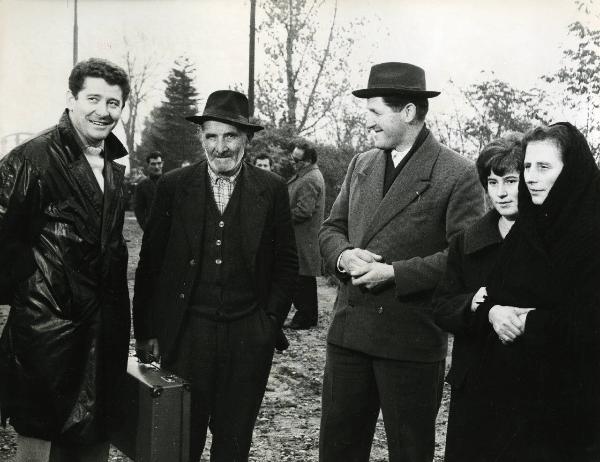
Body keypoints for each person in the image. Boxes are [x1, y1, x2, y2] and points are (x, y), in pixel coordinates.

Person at [318, 61, 484, 462]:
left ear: (408, 112)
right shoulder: (362, 164)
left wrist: (394, 273)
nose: (368, 123)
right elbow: (329, 230)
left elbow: (466, 260)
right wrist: (343, 255)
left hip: (409, 343)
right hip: (349, 337)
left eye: (376, 113)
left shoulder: (457, 173)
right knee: (338, 451)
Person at [132, 90, 298, 462]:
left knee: (234, 442)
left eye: (229, 136)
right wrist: (146, 332)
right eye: (211, 136)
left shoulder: (270, 190)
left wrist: (267, 324)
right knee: (181, 441)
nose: (220, 147)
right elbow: (150, 264)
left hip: (246, 339)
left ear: (247, 139)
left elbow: (287, 264)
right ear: (201, 138)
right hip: (186, 336)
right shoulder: (174, 186)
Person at [0, 58, 131, 462]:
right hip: (47, 344)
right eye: (93, 98)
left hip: (102, 337)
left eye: (113, 102)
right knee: (42, 447)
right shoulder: (30, 160)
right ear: (72, 99)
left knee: (92, 444)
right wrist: (40, 300)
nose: (103, 111)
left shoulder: (112, 167)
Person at [452, 123, 600, 461]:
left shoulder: (591, 232)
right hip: (518, 396)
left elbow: (589, 322)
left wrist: (528, 322)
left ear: (571, 172)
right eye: (528, 166)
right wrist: (494, 311)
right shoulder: (529, 228)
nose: (531, 177)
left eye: (543, 167)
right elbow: (495, 289)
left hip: (577, 399)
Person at [432, 133, 526, 462]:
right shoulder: (467, 242)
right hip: (476, 383)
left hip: (530, 385)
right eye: (493, 181)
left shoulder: (553, 241)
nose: (500, 192)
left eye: (511, 180)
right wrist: (476, 306)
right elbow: (442, 306)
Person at [286, 141, 326, 329]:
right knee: (304, 278)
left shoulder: (310, 179)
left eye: (296, 159)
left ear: (308, 160)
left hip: (303, 238)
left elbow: (304, 211)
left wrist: (281, 216)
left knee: (301, 278)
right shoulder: (306, 174)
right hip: (302, 237)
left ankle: (305, 318)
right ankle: (308, 317)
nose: (292, 162)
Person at [134, 151, 164, 230]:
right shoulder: (142, 186)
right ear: (148, 165)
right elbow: (138, 210)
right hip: (152, 229)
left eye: (159, 163)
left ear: (163, 164)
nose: (157, 167)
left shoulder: (170, 182)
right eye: (153, 164)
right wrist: (146, 227)